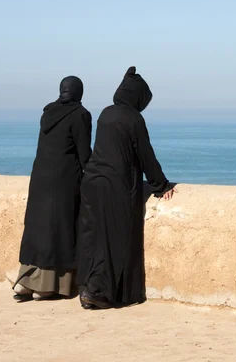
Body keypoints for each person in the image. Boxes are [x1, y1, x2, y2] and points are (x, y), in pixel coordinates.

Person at [76, 66, 176, 310]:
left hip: (92, 182)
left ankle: (89, 288)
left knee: (94, 236)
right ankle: (100, 292)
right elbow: (145, 155)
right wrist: (161, 185)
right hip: (115, 186)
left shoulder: (106, 113)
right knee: (115, 239)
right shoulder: (133, 118)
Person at [12, 76, 92, 302]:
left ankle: (26, 282)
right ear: (79, 93)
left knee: (37, 229)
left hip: (40, 176)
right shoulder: (80, 115)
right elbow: (84, 154)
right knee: (59, 230)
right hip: (63, 180)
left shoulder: (48, 113)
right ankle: (47, 286)